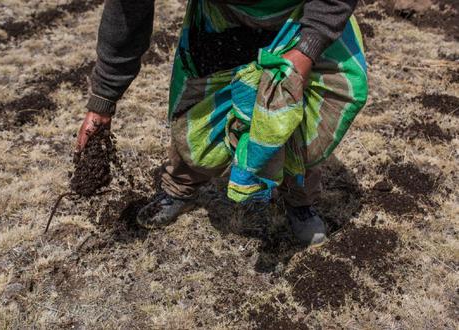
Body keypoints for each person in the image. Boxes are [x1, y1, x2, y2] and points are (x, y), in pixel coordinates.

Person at [77, 0, 367, 246]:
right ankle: (179, 186)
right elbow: (127, 11)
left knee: (292, 114)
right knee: (198, 109)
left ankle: (299, 198)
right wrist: (104, 97)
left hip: (299, 19)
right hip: (220, 18)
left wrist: (307, 48)